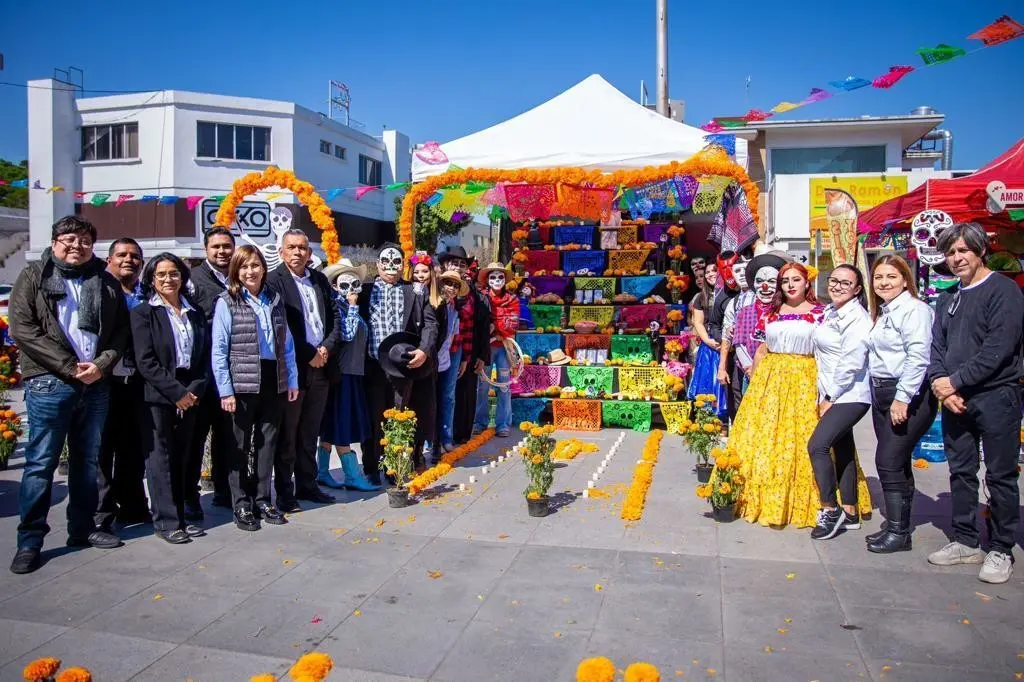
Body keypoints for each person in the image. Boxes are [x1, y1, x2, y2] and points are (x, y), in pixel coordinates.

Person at [9, 216, 129, 575]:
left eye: (85, 240)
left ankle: (82, 529)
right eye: (69, 239)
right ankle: (30, 540)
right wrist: (68, 366)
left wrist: (103, 364)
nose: (77, 245)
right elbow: (23, 328)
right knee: (40, 465)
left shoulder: (105, 281)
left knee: (86, 463)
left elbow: (120, 332)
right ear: (56, 240)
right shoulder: (35, 275)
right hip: (49, 382)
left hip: (94, 384)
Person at [727, 262, 872, 528]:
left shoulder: (822, 313)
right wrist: (755, 383)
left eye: (796, 279)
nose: (790, 285)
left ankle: (833, 503)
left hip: (805, 379)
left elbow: (834, 349)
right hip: (770, 381)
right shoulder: (771, 311)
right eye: (785, 281)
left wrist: (830, 391)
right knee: (767, 441)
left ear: (807, 283)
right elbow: (761, 349)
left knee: (813, 441)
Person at [927, 222, 1024, 583]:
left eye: (963, 250)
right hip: (954, 400)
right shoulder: (948, 297)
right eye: (950, 252)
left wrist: (954, 381)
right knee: (961, 471)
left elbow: (998, 350)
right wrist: (943, 386)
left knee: (1000, 475)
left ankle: (1001, 547)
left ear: (980, 250)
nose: (956, 258)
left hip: (997, 395)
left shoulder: (1004, 291)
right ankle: (966, 539)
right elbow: (937, 345)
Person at [212, 246, 299, 532]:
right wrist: (225, 390)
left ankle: (263, 499)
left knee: (267, 443)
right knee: (238, 445)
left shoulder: (274, 299)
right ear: (236, 271)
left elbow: (286, 344)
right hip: (242, 381)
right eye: (244, 267)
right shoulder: (227, 301)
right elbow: (219, 349)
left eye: (255, 265)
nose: (250, 272)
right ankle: (241, 502)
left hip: (272, 378)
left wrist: (292, 379)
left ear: (263, 268)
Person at [131, 254, 209, 544]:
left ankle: (181, 515)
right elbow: (145, 361)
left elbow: (203, 356)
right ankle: (166, 521)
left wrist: (193, 391)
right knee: (159, 459)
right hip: (158, 394)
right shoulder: (143, 313)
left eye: (173, 273)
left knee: (183, 458)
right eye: (161, 274)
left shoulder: (195, 312)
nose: (168, 279)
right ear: (152, 279)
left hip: (191, 394)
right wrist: (176, 393)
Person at [865, 254, 937, 554]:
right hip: (882, 391)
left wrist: (902, 398)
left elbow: (919, 356)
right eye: (879, 277)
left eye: (891, 277)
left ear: (906, 279)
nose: (884, 283)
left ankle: (898, 533)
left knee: (888, 461)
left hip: (906, 394)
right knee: (897, 461)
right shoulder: (884, 312)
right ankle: (900, 523)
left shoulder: (915, 310)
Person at [267, 229, 340, 510]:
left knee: (310, 432)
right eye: (292, 248)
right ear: (282, 251)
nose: (298, 253)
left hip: (321, 366)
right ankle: (286, 492)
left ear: (310, 253)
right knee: (289, 434)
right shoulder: (274, 281)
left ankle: (308, 485)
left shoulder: (320, 279)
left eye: (302, 248)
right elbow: (279, 325)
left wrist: (326, 348)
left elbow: (335, 317)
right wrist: (309, 353)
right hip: (294, 368)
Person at [358, 243, 438, 485]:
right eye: (386, 262)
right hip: (372, 366)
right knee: (374, 419)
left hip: (402, 367)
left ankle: (395, 467)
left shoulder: (414, 291)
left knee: (400, 417)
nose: (391, 267)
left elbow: (430, 324)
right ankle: (371, 466)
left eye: (396, 262)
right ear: (377, 264)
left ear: (404, 265)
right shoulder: (364, 290)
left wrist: (424, 350)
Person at [808, 265, 874, 540]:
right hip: (833, 390)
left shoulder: (857, 318)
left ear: (857, 289)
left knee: (817, 446)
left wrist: (829, 398)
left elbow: (851, 362)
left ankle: (830, 508)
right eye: (833, 280)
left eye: (845, 283)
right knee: (843, 448)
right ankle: (850, 510)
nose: (837, 286)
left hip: (849, 395)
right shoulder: (831, 311)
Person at [96, 237, 149, 532]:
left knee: (134, 448)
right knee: (102, 451)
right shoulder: (100, 290)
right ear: (109, 260)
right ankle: (101, 515)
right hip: (105, 381)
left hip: (138, 382)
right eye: (122, 255)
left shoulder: (147, 293)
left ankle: (132, 506)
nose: (129, 260)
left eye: (135, 256)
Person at [316, 259, 378, 491]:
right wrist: (352, 305)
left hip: (353, 373)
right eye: (344, 285)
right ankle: (352, 476)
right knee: (341, 424)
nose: (351, 289)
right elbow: (348, 335)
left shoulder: (349, 307)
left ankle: (322, 472)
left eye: (354, 284)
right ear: (334, 286)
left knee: (334, 424)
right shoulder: (338, 309)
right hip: (342, 375)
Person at [187, 227, 236, 512]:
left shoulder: (238, 277)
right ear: (206, 249)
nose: (222, 252)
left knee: (228, 436)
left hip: (230, 374)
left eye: (227, 246)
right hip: (201, 373)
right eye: (216, 246)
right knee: (195, 438)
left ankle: (224, 490)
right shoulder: (193, 280)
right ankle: (190, 496)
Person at [442, 247, 491, 444]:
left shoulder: (476, 295)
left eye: (462, 264)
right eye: (454, 263)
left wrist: (481, 356)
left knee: (465, 394)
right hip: (444, 351)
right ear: (446, 265)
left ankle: (461, 435)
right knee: (445, 394)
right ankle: (442, 435)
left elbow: (483, 327)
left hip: (468, 351)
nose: (458, 267)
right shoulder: (439, 289)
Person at [473, 262, 520, 437]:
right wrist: (492, 328)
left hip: (505, 349)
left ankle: (502, 424)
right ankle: (480, 422)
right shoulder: (481, 298)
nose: (497, 280)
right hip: (485, 348)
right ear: (487, 280)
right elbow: (480, 323)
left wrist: (495, 328)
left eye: (500, 277)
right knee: (482, 386)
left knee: (504, 386)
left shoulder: (513, 300)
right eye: (493, 277)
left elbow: (512, 323)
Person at [409, 251, 443, 467]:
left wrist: (426, 350)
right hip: (404, 356)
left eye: (424, 271)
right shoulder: (406, 291)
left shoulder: (436, 300)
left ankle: (419, 451)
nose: (421, 275)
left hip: (427, 359)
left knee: (424, 407)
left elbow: (437, 329)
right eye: (417, 272)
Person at [686, 262, 728, 417]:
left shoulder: (729, 292)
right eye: (708, 272)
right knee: (708, 381)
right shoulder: (701, 297)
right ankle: (708, 418)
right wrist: (707, 340)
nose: (711, 274)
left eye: (714, 271)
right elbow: (697, 321)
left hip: (726, 343)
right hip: (709, 344)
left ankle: (725, 418)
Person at [436, 270, 470, 453]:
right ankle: (431, 439)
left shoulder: (457, 308)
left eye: (456, 285)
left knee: (448, 396)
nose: (451, 288)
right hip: (432, 354)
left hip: (452, 352)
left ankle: (446, 437)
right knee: (432, 396)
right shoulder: (433, 304)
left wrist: (464, 358)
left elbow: (461, 335)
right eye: (448, 283)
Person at [717, 250, 753, 417]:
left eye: (745, 269)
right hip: (740, 363)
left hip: (764, 362)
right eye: (737, 271)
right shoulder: (734, 302)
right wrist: (722, 368)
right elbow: (726, 336)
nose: (742, 274)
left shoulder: (767, 297)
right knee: (739, 401)